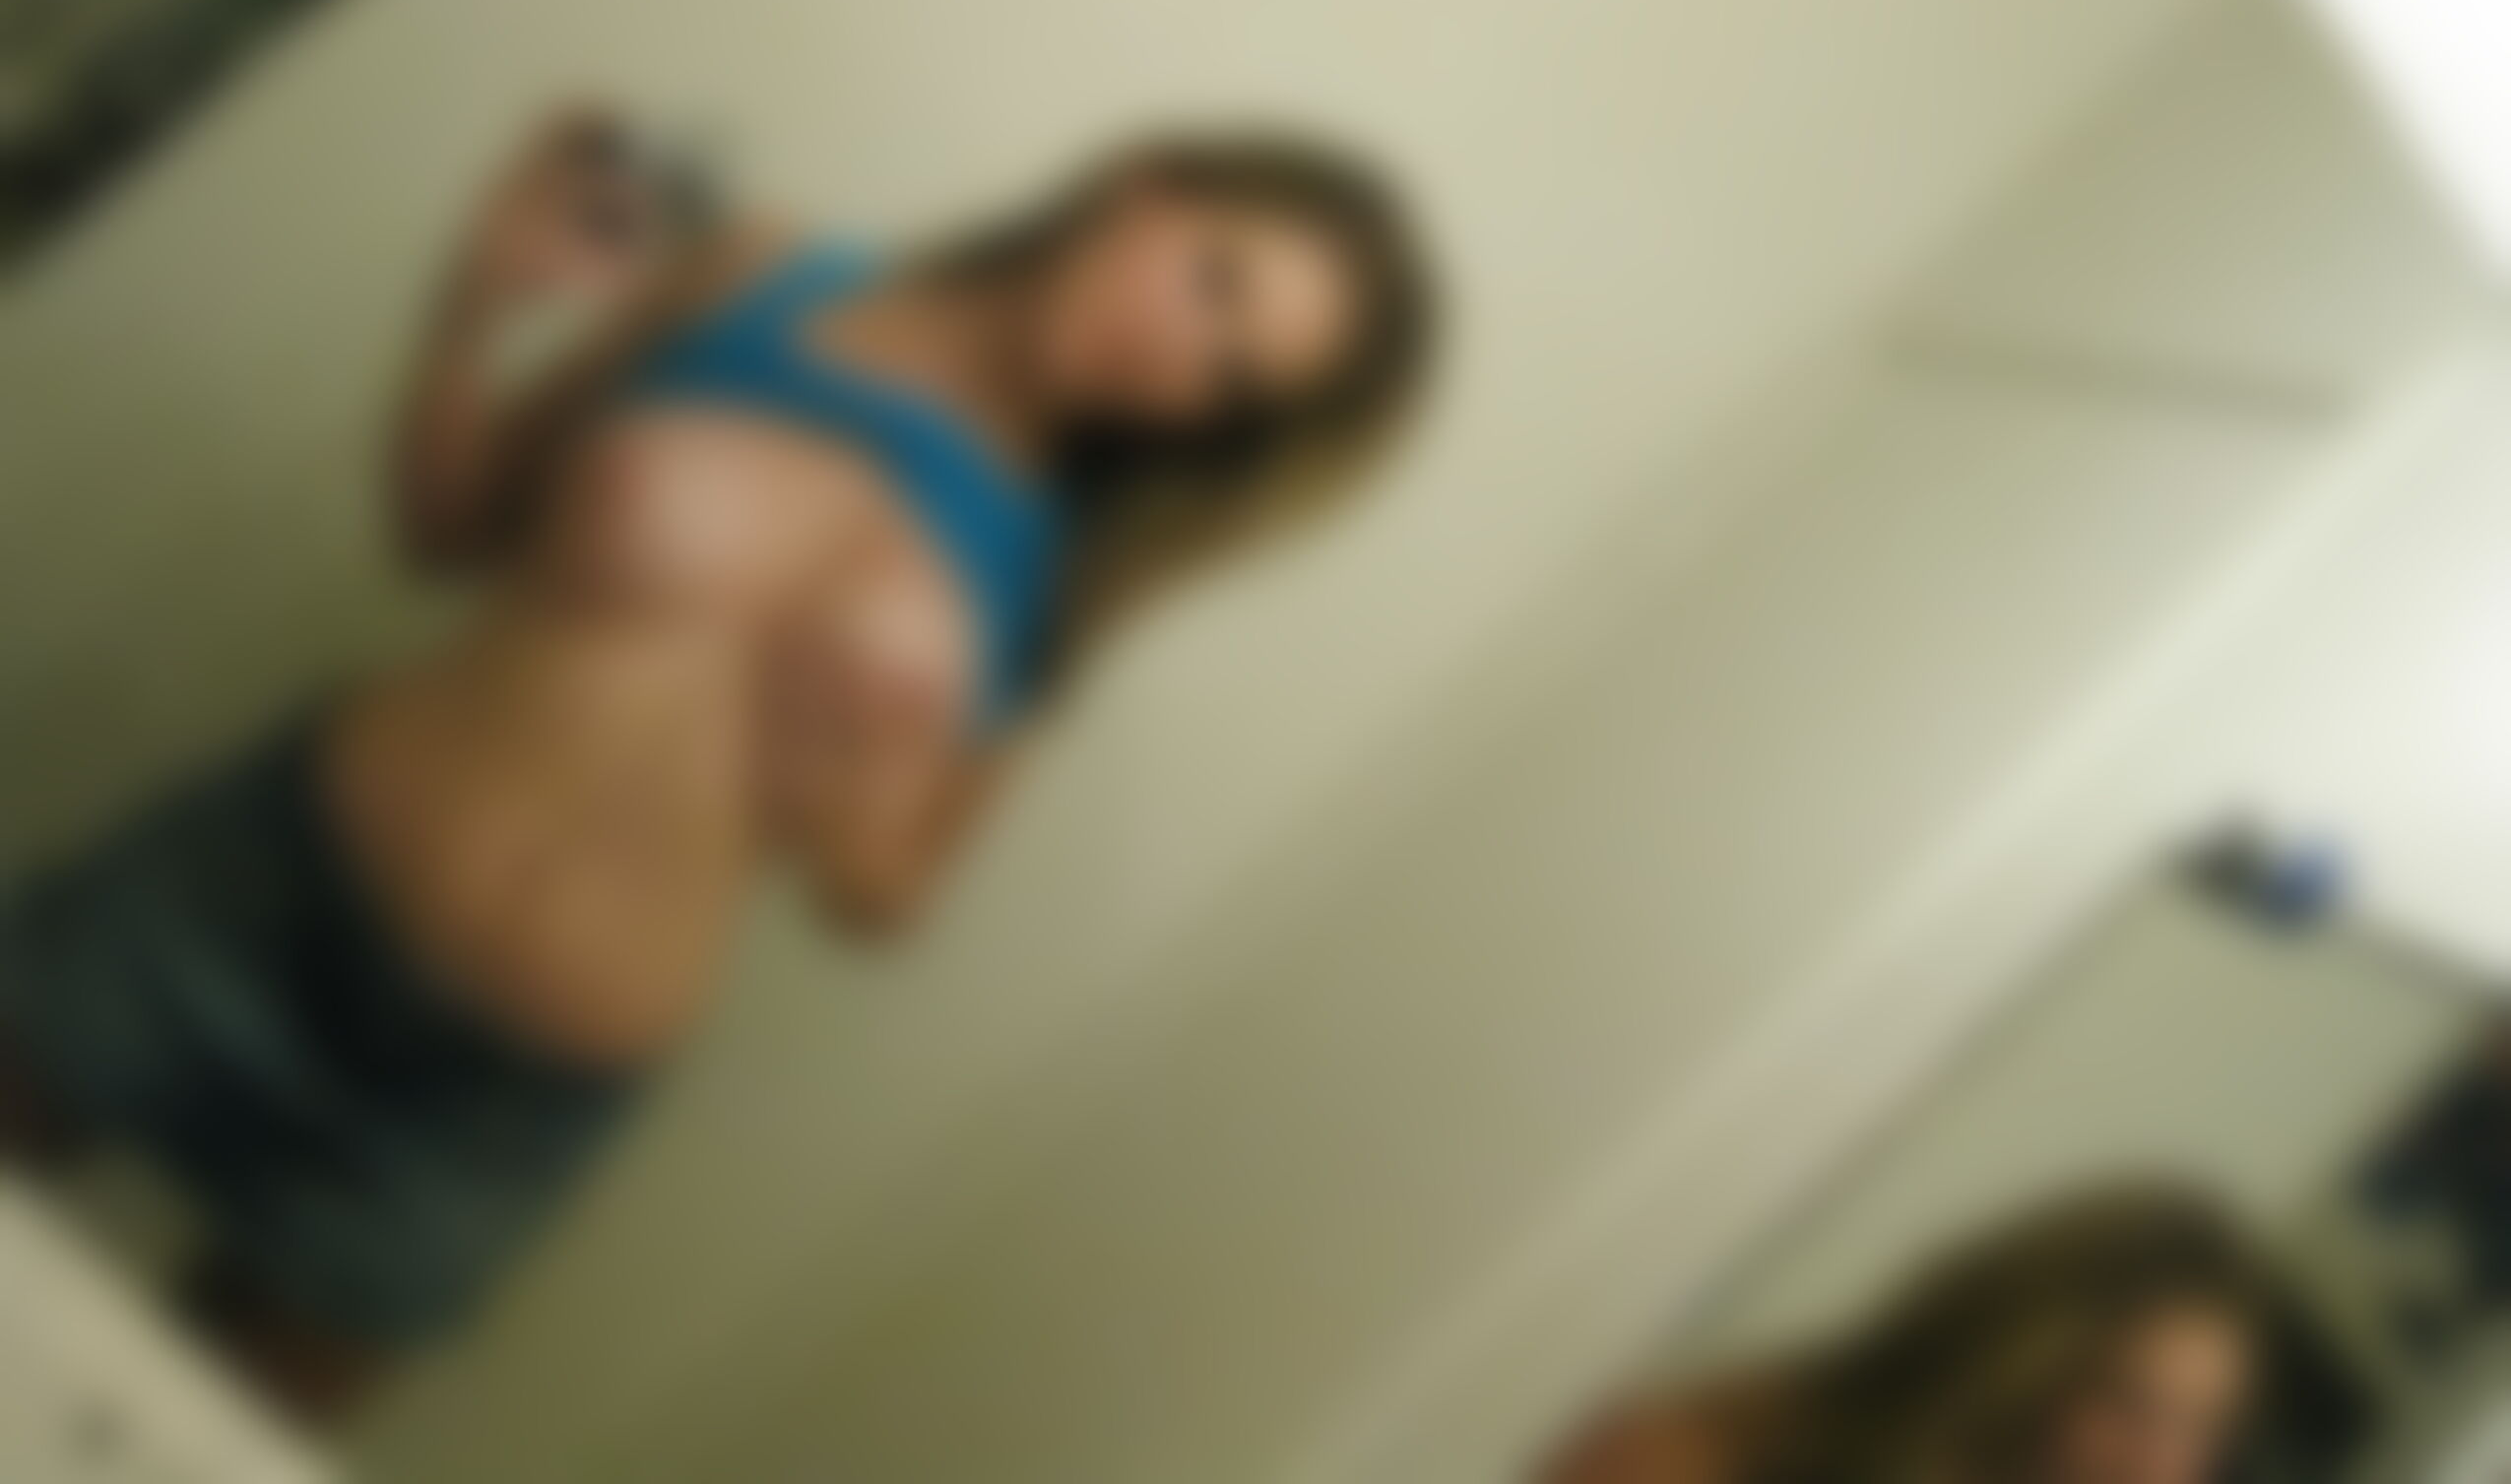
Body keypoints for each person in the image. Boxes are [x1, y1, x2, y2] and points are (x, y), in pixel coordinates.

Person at [0, 110, 1440, 1418]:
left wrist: (848, 805)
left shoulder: (1063, 574)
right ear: (1144, 190)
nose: (1182, 358)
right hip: (258, 890)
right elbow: (445, 526)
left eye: (1235, 381)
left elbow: (890, 896)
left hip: (489, 1111)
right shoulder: (757, 277)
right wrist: (473, 310)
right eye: (1213, 281)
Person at [1542, 1185, 2289, 1484]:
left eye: (2199, 1428)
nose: (2153, 1470)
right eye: (2127, 1404)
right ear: (2022, 1361)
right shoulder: (1713, 1448)